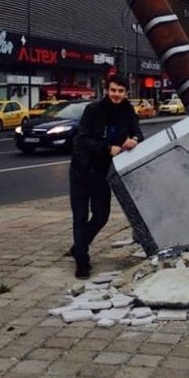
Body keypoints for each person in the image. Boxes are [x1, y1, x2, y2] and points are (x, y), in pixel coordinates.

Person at [68, 74, 143, 278]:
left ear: (126, 93)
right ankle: (82, 262)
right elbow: (82, 139)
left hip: (102, 173)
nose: (116, 95)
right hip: (81, 169)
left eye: (120, 91)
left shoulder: (128, 110)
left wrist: (134, 139)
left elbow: (138, 132)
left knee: (101, 216)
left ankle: (79, 246)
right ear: (106, 91)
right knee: (80, 217)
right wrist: (107, 148)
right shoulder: (93, 110)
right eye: (113, 90)